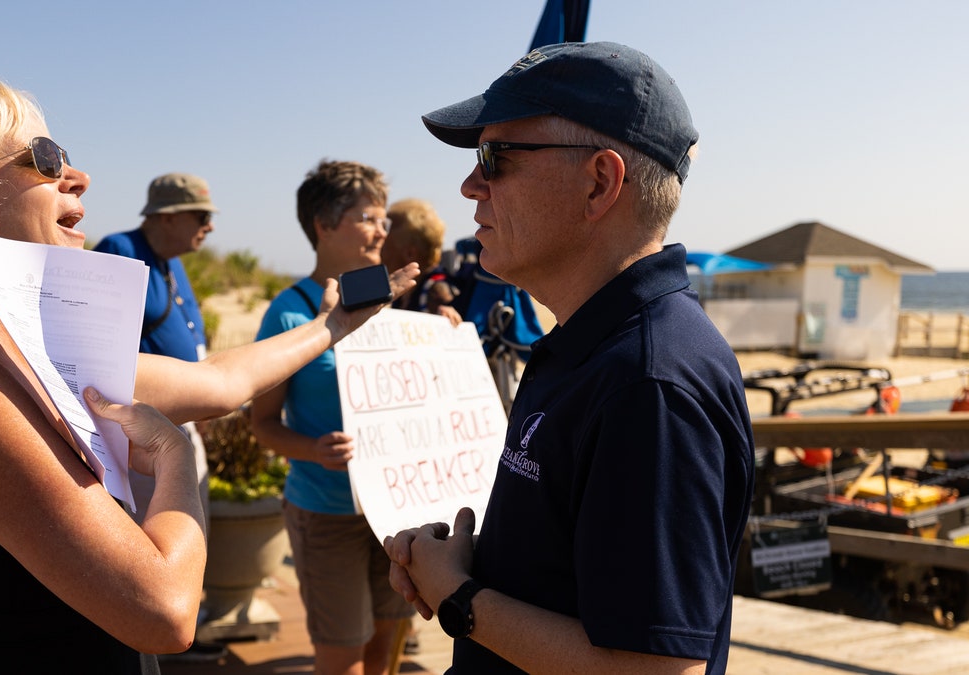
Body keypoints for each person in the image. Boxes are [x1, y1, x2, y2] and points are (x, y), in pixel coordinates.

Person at [0, 76, 416, 674]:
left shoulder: (15, 355)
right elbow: (164, 609)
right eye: (46, 158)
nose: (77, 177)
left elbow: (218, 383)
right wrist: (175, 458)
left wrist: (334, 324)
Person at [383, 42, 755, 675]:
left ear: (599, 183)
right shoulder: (593, 346)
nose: (470, 184)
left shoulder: (648, 382)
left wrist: (458, 596)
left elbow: (656, 670)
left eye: (494, 158)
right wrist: (474, 565)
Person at [250, 160, 416, 675]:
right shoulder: (289, 314)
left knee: (387, 646)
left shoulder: (393, 305)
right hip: (325, 515)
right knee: (342, 656)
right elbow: (263, 424)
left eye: (385, 218)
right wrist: (313, 451)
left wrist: (443, 333)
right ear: (323, 225)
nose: (383, 229)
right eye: (369, 217)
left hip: (395, 512)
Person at [93, 172, 225, 661]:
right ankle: (153, 641)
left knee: (192, 524)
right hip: (144, 431)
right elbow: (105, 344)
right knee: (155, 532)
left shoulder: (170, 261)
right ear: (167, 217)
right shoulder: (120, 248)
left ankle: (181, 628)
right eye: (201, 216)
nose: (209, 227)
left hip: (182, 421)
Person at [381, 198, 461, 325]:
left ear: (409, 254)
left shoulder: (435, 290)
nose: (379, 250)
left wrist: (446, 315)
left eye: (384, 245)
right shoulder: (405, 289)